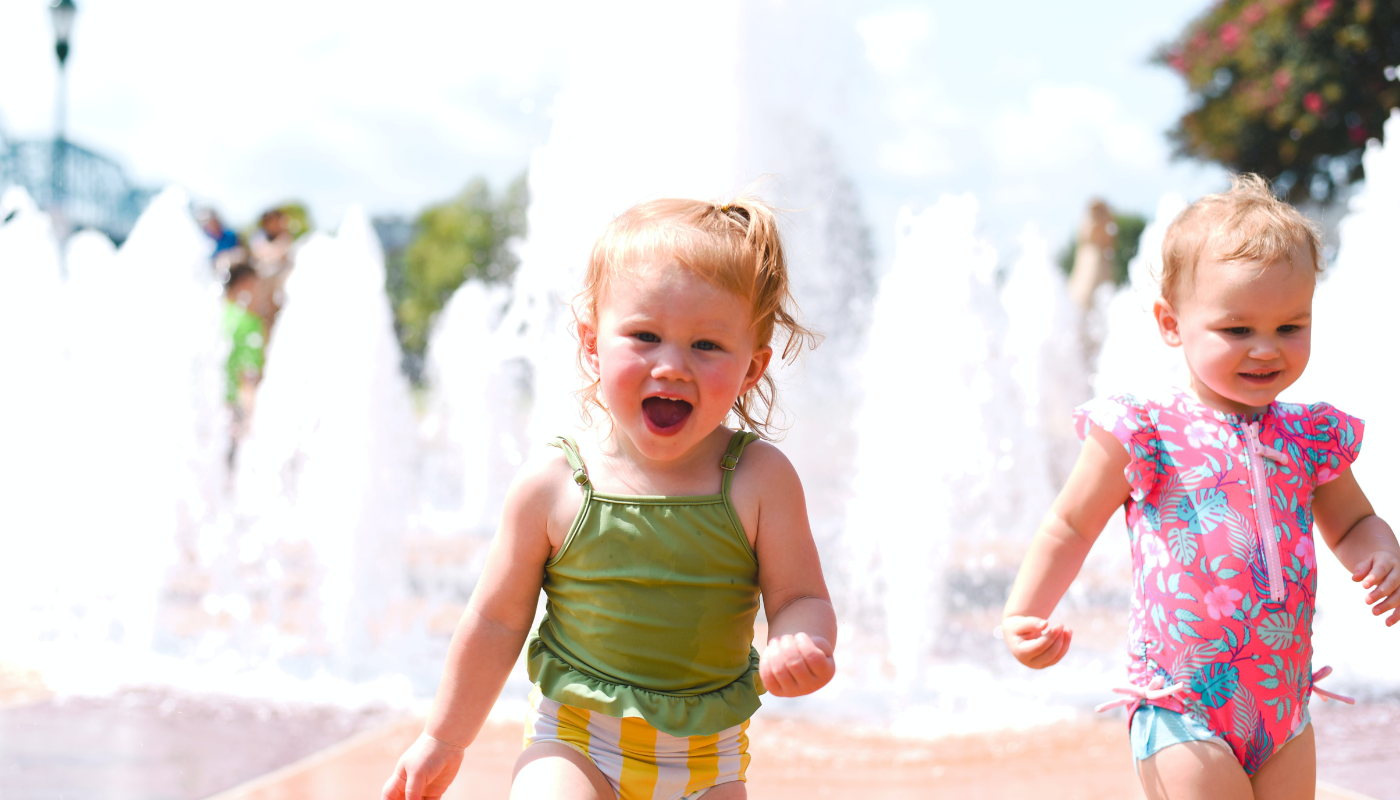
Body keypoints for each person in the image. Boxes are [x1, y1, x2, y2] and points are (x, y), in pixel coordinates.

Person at [382, 197, 837, 800]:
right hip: (575, 743)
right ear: (592, 343)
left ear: (751, 369)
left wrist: (800, 638)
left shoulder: (758, 479)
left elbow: (800, 594)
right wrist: (445, 738)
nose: (672, 366)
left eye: (707, 346)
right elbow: (495, 620)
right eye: (645, 336)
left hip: (710, 762)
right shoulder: (554, 483)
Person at [1002, 175, 1400, 799]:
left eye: (1291, 326)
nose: (1266, 350)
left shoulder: (1309, 434)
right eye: (1237, 330)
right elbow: (1070, 525)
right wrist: (1025, 610)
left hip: (1284, 708)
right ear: (1170, 323)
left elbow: (1352, 521)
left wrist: (1380, 551)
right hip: (1180, 704)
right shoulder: (1145, 429)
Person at [222, 264, 266, 444]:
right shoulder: (248, 323)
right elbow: (248, 379)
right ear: (244, 285)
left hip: (209, 408)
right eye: (256, 286)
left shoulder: (211, 316)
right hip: (233, 412)